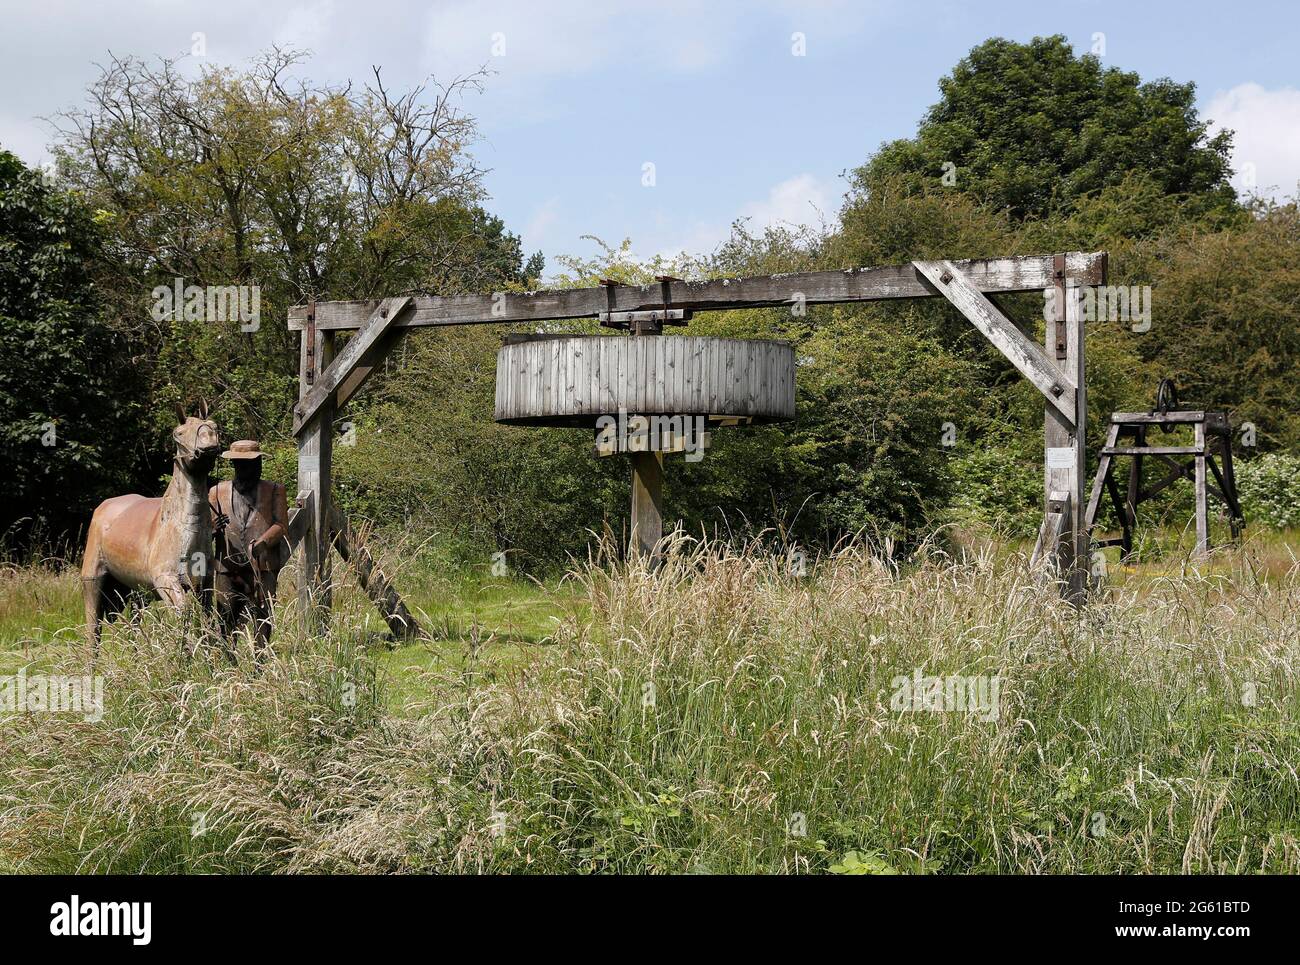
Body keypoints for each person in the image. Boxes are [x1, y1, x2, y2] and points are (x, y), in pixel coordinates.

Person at [209, 440, 289, 651]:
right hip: (227, 568)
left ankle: (260, 663)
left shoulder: (275, 490)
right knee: (225, 617)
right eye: (244, 465)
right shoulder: (217, 491)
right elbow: (203, 531)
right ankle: (227, 661)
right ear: (234, 465)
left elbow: (281, 525)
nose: (251, 469)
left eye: (255, 463)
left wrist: (264, 541)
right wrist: (213, 527)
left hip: (262, 568)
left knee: (262, 618)